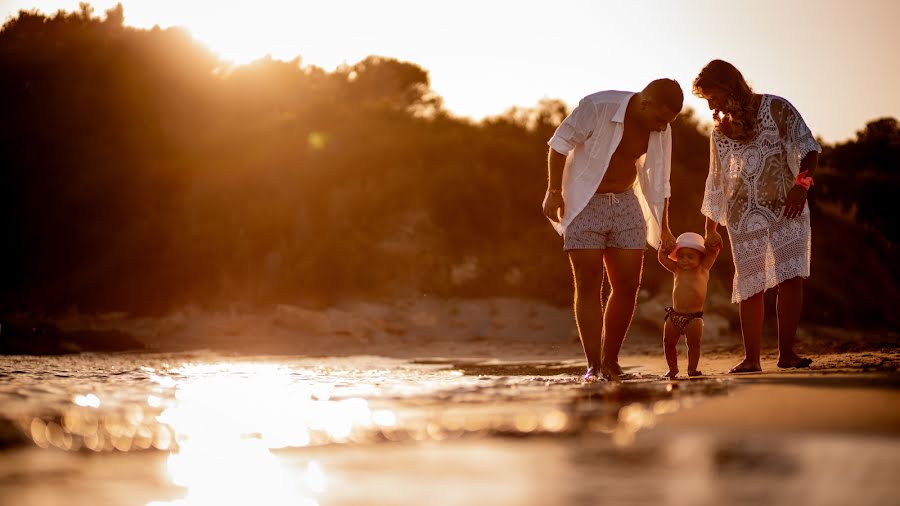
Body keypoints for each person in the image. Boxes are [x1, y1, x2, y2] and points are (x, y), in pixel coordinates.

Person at [542, 79, 682, 381]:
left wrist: (666, 228)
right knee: (589, 281)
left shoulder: (662, 128)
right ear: (644, 103)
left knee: (628, 284)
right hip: (584, 202)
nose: (662, 128)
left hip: (625, 202)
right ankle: (593, 364)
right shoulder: (597, 106)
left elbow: (661, 180)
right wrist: (554, 191)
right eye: (660, 119)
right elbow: (559, 144)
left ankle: (611, 361)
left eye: (667, 122)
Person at [693, 60, 820, 373]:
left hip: (787, 207)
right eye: (706, 99)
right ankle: (751, 359)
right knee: (751, 285)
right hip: (743, 214)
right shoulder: (720, 131)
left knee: (790, 278)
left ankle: (787, 354)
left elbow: (809, 148)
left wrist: (802, 186)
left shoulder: (777, 108)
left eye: (713, 96)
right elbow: (717, 180)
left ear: (729, 86)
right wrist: (711, 228)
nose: (710, 105)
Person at [657, 232, 721, 378]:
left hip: (694, 318)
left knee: (693, 344)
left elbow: (712, 254)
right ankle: (673, 368)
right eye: (681, 256)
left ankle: (692, 368)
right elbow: (662, 259)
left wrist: (714, 243)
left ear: (700, 258)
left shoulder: (703, 268)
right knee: (668, 343)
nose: (684, 260)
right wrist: (663, 247)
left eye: (690, 256)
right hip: (674, 315)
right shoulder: (677, 269)